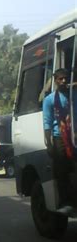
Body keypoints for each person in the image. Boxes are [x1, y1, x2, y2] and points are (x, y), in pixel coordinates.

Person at [42, 68, 75, 208]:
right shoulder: (49, 100)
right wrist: (49, 144)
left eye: (65, 78)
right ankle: (65, 201)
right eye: (60, 79)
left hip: (73, 136)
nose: (63, 81)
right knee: (62, 170)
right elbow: (47, 122)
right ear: (55, 81)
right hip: (59, 137)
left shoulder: (72, 96)